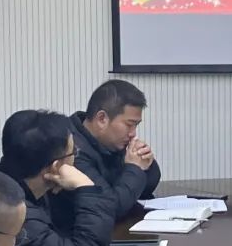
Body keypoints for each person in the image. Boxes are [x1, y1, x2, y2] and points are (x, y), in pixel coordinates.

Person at [0, 110, 115, 246]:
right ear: (56, 166)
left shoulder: (24, 182)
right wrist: (86, 188)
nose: (76, 157)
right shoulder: (13, 213)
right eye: (74, 152)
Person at [59, 80, 162, 228]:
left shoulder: (111, 141)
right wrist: (135, 169)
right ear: (102, 119)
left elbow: (146, 188)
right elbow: (110, 208)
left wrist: (145, 162)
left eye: (136, 125)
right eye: (129, 124)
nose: (133, 134)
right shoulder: (71, 151)